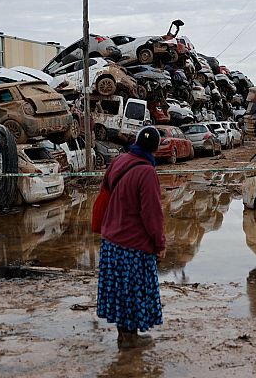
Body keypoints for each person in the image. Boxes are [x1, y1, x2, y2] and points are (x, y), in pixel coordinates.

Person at [96, 126, 166, 350]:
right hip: (133, 246)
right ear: (155, 148)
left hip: (111, 243)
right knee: (133, 295)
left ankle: (124, 336)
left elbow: (104, 191)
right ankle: (129, 340)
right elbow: (151, 214)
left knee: (119, 294)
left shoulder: (119, 161)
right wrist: (160, 243)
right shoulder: (147, 172)